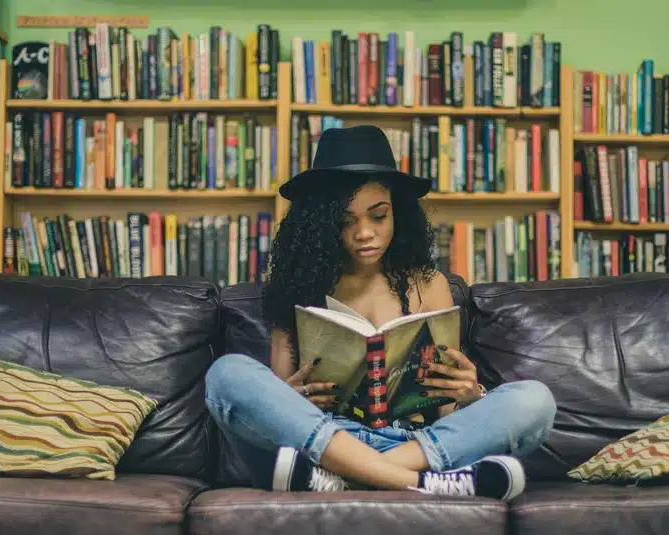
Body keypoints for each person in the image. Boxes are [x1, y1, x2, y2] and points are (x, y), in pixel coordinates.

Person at [204, 125, 556, 501]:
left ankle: (352, 477)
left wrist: (471, 394)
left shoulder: (430, 284)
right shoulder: (296, 288)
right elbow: (278, 408)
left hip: (415, 442)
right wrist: (289, 397)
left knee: (535, 400)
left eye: (378, 216)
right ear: (321, 226)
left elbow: (446, 411)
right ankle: (423, 483)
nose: (364, 233)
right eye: (346, 221)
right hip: (326, 438)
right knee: (227, 375)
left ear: (397, 214)